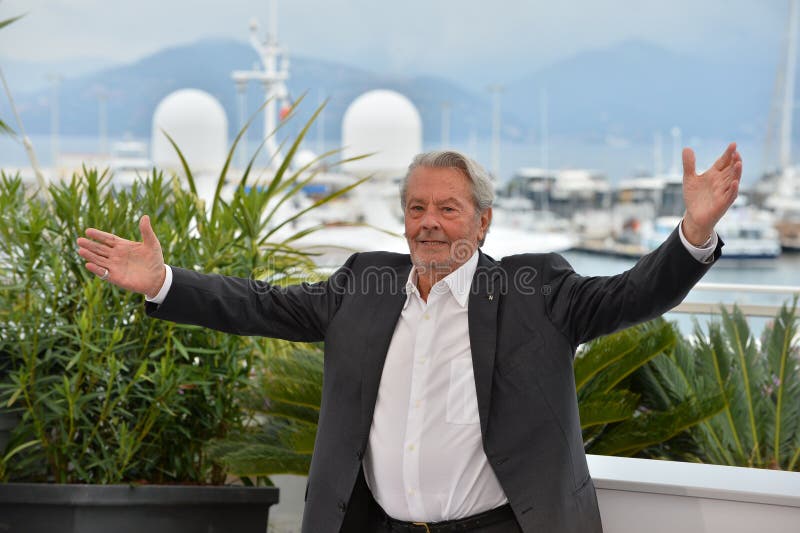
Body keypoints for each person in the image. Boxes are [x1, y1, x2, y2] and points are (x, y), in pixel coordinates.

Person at [77, 144, 741, 533]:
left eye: (447, 208)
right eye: (417, 208)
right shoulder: (363, 283)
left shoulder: (537, 290)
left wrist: (694, 236)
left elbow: (634, 293)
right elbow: (260, 304)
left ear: (482, 223)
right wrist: (165, 280)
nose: (428, 223)